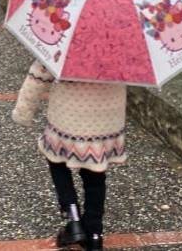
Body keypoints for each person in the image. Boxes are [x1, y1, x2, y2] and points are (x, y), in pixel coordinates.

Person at [12, 61, 128, 251]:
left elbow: (40, 74)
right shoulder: (122, 47)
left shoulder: (65, 43)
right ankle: (94, 234)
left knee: (56, 159)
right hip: (107, 116)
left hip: (69, 112)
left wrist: (23, 112)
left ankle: (73, 218)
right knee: (95, 173)